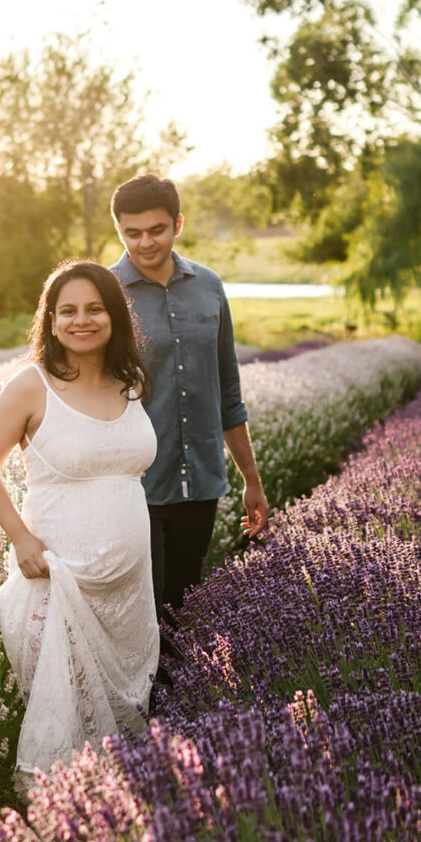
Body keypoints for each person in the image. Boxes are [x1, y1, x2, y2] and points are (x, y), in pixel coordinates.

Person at [0, 259, 159, 785]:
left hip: (127, 586)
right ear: (50, 321)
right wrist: (19, 536)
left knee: (121, 717)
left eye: (95, 309)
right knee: (65, 704)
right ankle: (56, 821)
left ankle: (117, 811)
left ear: (115, 317)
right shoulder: (32, 385)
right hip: (59, 574)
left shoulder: (131, 382)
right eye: (68, 310)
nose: (82, 320)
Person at [108, 174, 267, 672]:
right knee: (143, 614)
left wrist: (252, 483)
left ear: (177, 224)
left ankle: (175, 724)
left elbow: (228, 391)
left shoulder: (210, 287)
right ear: (119, 231)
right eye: (131, 232)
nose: (144, 242)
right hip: (132, 484)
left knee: (183, 610)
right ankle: (138, 726)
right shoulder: (107, 293)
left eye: (156, 229)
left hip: (200, 481)